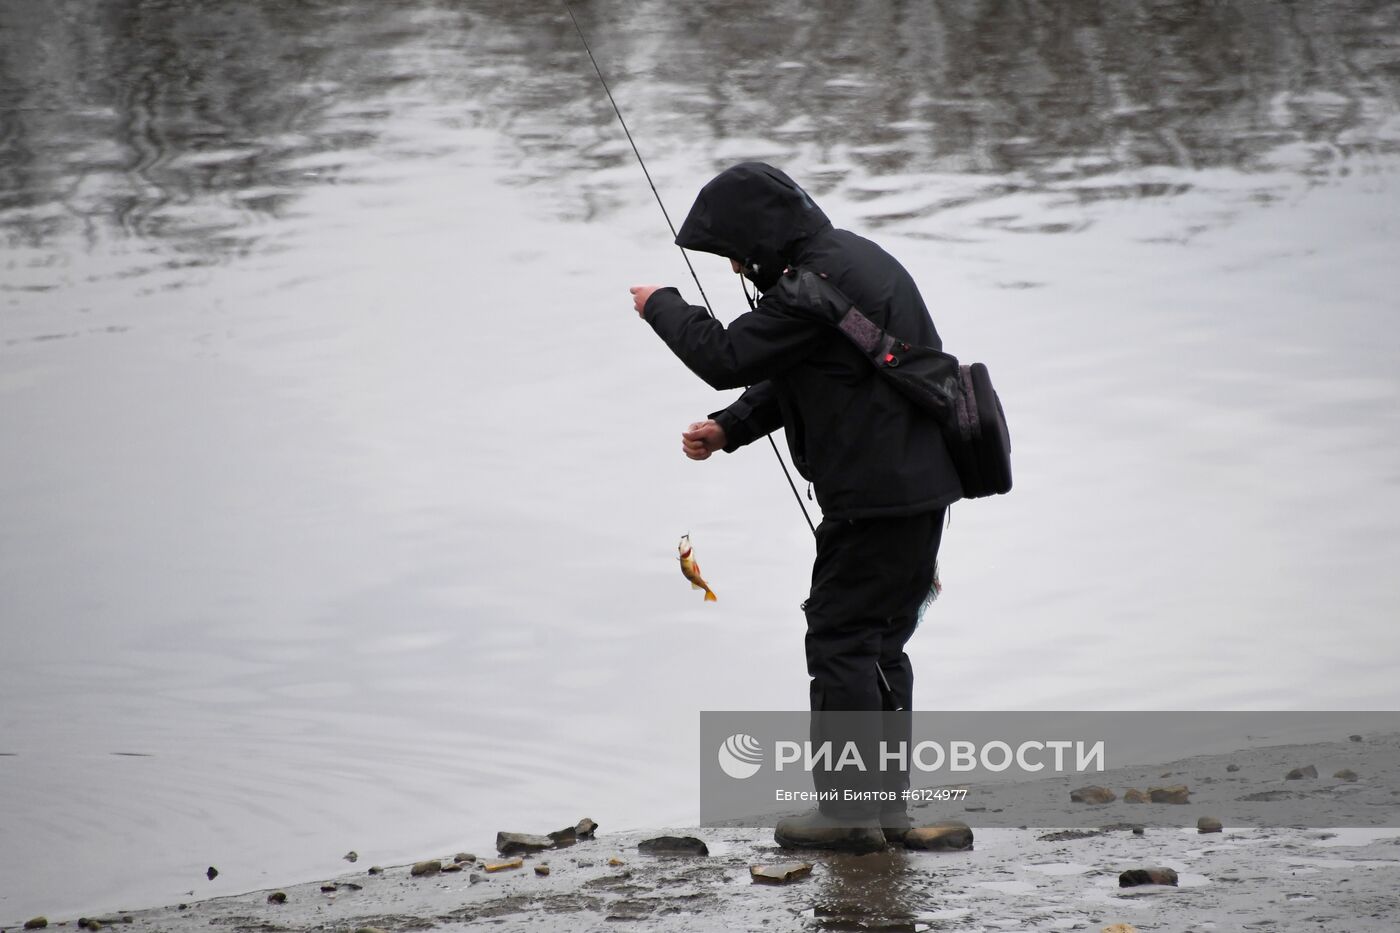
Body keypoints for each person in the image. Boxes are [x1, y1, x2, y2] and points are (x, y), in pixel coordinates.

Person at [630, 162, 962, 852]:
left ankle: (847, 816)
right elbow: (807, 374)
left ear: (758, 239)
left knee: (840, 637)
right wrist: (729, 428)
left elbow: (725, 354)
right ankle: (884, 809)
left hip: (874, 501)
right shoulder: (854, 262)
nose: (730, 265)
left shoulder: (810, 286)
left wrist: (660, 302)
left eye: (730, 251)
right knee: (877, 642)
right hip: (921, 490)